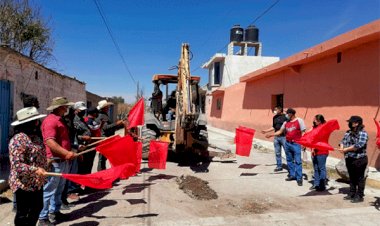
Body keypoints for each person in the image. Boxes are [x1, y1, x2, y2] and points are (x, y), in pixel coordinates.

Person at [38, 97, 77, 226]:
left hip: (62, 160)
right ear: (59, 107)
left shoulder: (59, 120)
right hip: (55, 161)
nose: (67, 108)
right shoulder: (50, 121)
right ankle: (43, 218)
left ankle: (55, 212)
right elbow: (50, 141)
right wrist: (66, 153)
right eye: (65, 106)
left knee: (59, 189)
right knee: (49, 190)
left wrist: (70, 151)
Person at [9, 107, 47, 226]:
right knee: (23, 213)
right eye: (35, 120)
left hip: (37, 182)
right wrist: (36, 169)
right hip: (24, 184)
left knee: (37, 208)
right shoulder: (18, 139)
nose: (37, 123)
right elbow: (17, 165)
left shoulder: (35, 137)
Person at [266, 108, 306, 186]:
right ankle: (292, 175)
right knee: (289, 160)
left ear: (291, 114)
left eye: (288, 114)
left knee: (298, 161)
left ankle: (299, 178)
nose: (286, 115)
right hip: (288, 143)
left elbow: (303, 132)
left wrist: (303, 143)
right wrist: (271, 135)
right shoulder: (286, 122)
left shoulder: (299, 121)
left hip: (296, 144)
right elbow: (280, 131)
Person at [338, 116, 368, 203]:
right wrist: (342, 147)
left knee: (360, 178)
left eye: (352, 122)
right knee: (352, 176)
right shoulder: (348, 132)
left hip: (359, 159)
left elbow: (358, 145)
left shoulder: (363, 133)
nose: (350, 124)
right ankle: (352, 193)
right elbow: (342, 141)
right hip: (349, 158)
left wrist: (346, 149)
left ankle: (360, 195)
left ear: (357, 123)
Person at [96, 100, 124, 171]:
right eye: (107, 106)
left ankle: (103, 172)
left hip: (107, 138)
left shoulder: (104, 115)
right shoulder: (102, 116)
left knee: (103, 158)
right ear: (104, 108)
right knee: (102, 158)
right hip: (105, 138)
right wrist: (116, 124)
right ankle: (101, 173)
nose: (108, 108)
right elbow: (105, 128)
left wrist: (118, 125)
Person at [262, 106, 287, 172]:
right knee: (277, 152)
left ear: (280, 110)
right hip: (276, 137)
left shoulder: (285, 117)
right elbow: (274, 127)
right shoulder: (274, 117)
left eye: (276, 109)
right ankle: (279, 166)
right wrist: (266, 131)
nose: (274, 111)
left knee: (287, 152)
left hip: (284, 137)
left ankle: (291, 167)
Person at [309, 114, 328, 191]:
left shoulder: (323, 129)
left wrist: (313, 148)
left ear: (320, 121)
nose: (314, 121)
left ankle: (322, 185)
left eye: (315, 120)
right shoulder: (314, 127)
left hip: (322, 151)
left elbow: (318, 140)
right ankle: (316, 184)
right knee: (316, 168)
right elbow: (308, 133)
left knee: (321, 168)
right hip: (314, 151)